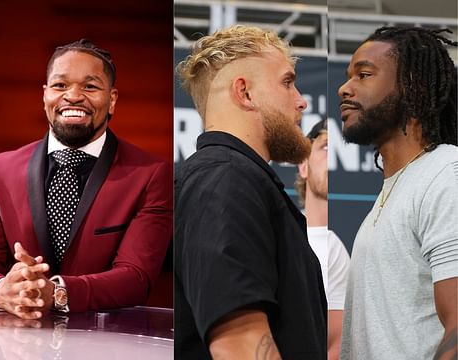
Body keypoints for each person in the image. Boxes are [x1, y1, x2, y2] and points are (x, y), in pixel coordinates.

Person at [0, 39, 172, 320]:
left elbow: (136, 277)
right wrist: (1, 290)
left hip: (107, 342)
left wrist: (57, 292)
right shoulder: (0, 168)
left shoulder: (151, 174)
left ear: (112, 100)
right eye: (60, 86)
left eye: (90, 86)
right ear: (44, 95)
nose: (73, 96)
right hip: (15, 342)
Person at [175, 25, 327, 359]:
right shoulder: (225, 180)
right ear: (245, 93)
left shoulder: (238, 179)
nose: (301, 100)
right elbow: (239, 345)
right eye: (287, 82)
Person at [338, 26, 457, 359]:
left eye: (364, 74)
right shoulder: (396, 190)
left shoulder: (446, 173)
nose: (344, 89)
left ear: (412, 85)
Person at [294, 119, 350, 360]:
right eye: (326, 147)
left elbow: (334, 347)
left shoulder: (334, 248)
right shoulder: (278, 230)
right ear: (303, 165)